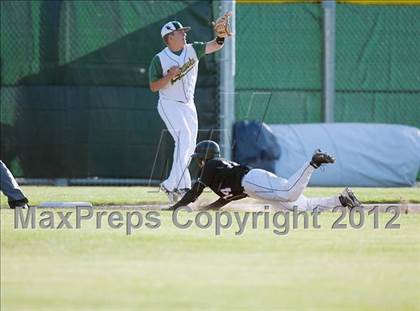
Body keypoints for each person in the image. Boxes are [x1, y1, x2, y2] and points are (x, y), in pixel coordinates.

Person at [149, 13, 232, 204]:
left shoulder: (193, 49)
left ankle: (182, 186)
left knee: (188, 145)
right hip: (169, 103)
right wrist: (169, 76)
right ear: (169, 38)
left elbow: (215, 45)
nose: (184, 34)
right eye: (179, 32)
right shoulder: (160, 59)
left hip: (188, 104)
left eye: (184, 31)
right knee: (184, 138)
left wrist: (220, 36)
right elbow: (154, 87)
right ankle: (171, 184)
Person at [168, 140, 362, 211]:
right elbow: (227, 198)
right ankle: (342, 200)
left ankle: (313, 162)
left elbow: (194, 192)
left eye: (199, 158)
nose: (198, 162)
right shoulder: (219, 173)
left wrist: (175, 207)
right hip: (253, 188)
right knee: (301, 208)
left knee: (289, 193)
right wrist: (207, 209)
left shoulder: (210, 166)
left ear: (204, 158)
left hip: (252, 180)